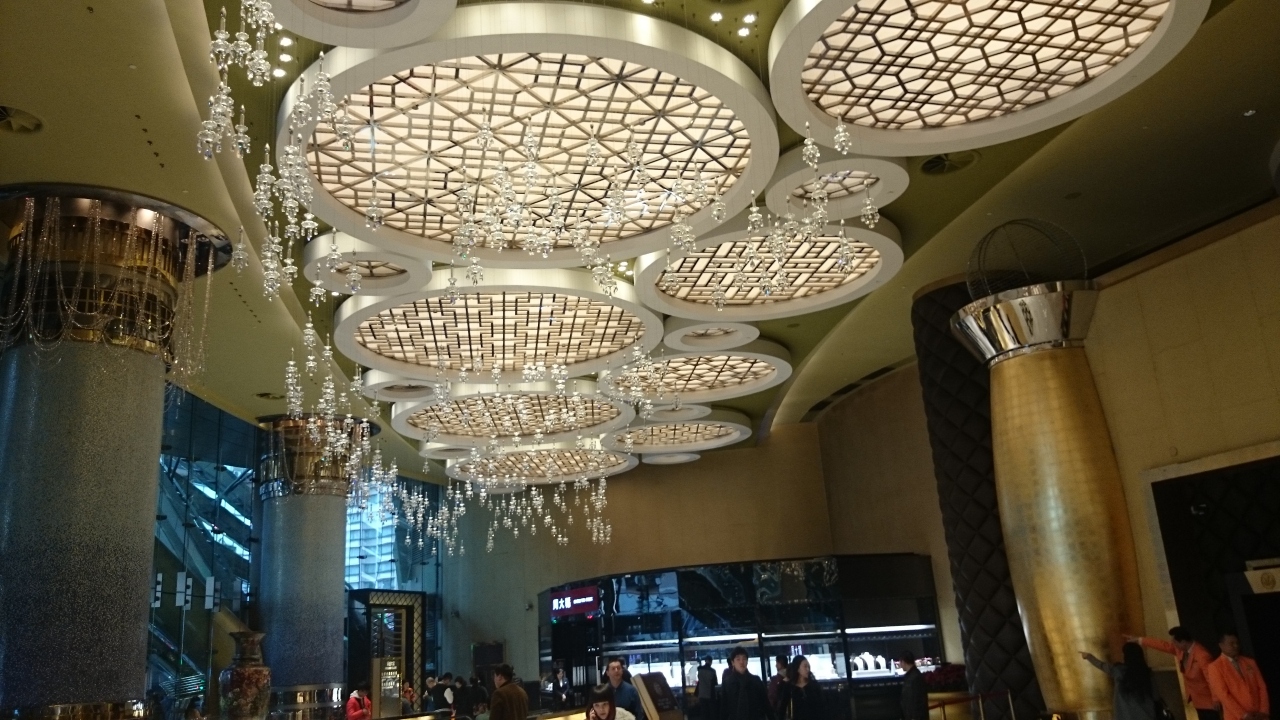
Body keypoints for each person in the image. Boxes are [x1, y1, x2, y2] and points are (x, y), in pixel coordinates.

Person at [1127, 627, 1218, 720]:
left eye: (1175, 642)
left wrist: (1215, 698)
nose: (1173, 645)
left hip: (1209, 700)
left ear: (1183, 642)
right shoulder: (1181, 650)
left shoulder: (1202, 655)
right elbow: (1162, 645)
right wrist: (1139, 640)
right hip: (1197, 699)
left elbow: (1211, 678)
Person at [1080, 643, 1157, 720]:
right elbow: (1156, 696)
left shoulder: (1119, 671)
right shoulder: (1147, 673)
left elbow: (1101, 665)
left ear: (1126, 656)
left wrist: (1089, 657)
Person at [1206, 633, 1270, 720]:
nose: (1235, 646)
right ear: (1221, 645)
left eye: (1237, 643)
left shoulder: (1250, 662)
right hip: (1235, 716)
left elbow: (1262, 687)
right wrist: (1243, 715)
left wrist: (1264, 711)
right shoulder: (1215, 667)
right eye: (1231, 643)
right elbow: (1223, 695)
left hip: (1259, 715)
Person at [721, 647, 774, 720]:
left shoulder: (756, 681)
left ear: (747, 661)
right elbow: (723, 709)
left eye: (744, 659)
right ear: (733, 662)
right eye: (738, 659)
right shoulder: (727, 683)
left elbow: (766, 704)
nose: (741, 662)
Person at [776, 656, 823, 720]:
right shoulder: (789, 687)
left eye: (808, 667)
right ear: (797, 668)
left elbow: (821, 706)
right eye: (805, 666)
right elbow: (782, 707)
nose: (808, 669)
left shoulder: (814, 685)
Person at [898, 652, 929, 720]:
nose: (900, 665)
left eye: (900, 662)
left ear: (904, 662)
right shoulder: (915, 675)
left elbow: (915, 700)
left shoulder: (913, 678)